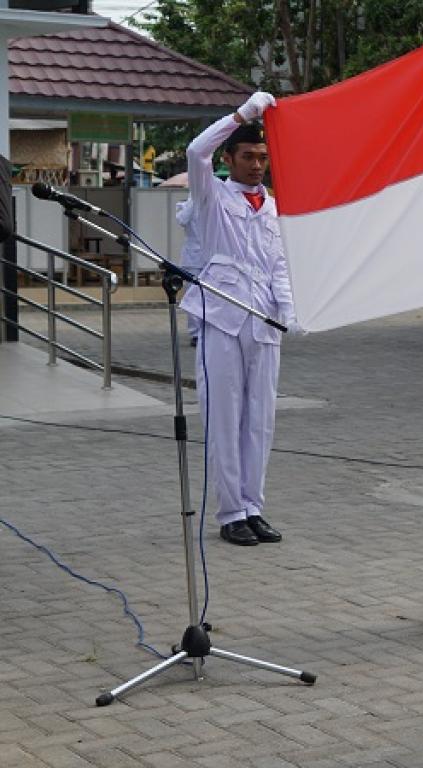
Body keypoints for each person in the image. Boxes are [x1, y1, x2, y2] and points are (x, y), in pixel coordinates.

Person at [181, 92, 296, 546]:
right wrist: (241, 115)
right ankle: (230, 512)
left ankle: (253, 506)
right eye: (247, 156)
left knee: (260, 419)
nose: (256, 165)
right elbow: (196, 151)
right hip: (222, 319)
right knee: (223, 418)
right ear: (228, 158)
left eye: (262, 157)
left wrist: (289, 308)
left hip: (264, 322)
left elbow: (279, 264)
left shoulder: (272, 207)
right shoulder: (211, 197)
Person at [174, 198, 205, 346]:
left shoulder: (212, 203)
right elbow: (182, 220)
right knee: (192, 295)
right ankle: (195, 333)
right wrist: (194, 200)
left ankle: (207, 331)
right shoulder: (185, 205)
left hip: (210, 257)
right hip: (192, 259)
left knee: (209, 297)